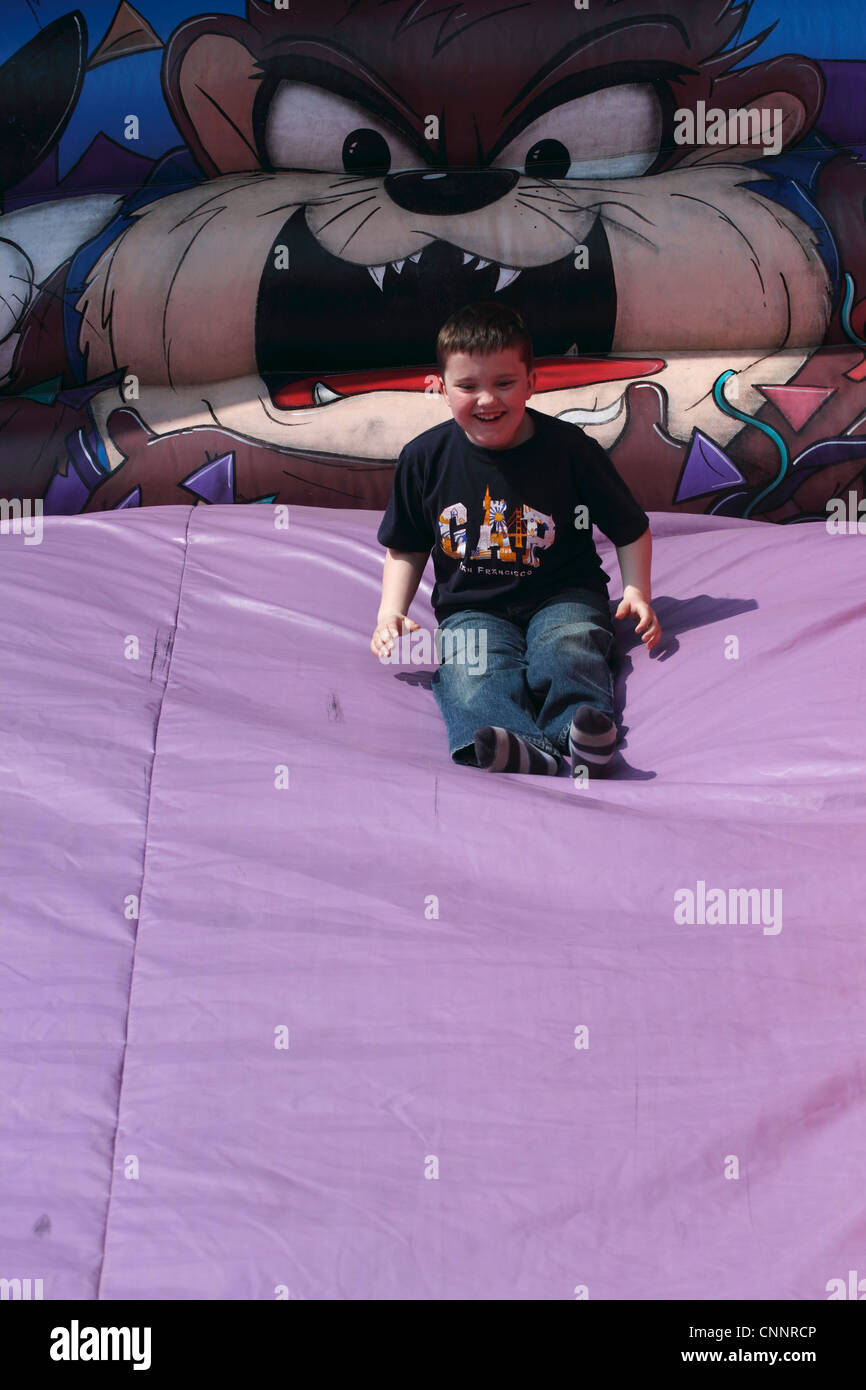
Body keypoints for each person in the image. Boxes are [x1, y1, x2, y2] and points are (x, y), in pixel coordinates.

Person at [371, 301, 661, 776]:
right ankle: (517, 743)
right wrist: (391, 612)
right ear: (441, 389)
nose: (487, 400)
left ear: (532, 382)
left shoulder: (571, 451)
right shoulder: (424, 459)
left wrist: (636, 592)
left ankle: (578, 731)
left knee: (568, 647)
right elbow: (406, 545)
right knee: (468, 669)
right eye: (468, 386)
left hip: (562, 594)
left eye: (504, 383)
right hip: (472, 606)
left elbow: (631, 527)